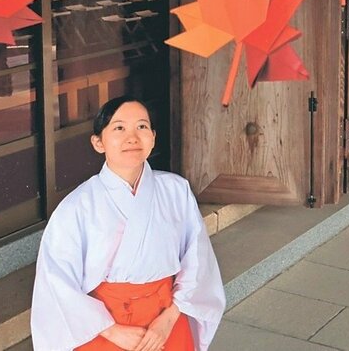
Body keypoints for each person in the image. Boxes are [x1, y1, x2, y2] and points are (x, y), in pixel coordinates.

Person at [31, 96, 226, 350]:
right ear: (98, 142)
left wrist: (168, 319)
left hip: (166, 319)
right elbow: (56, 281)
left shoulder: (176, 190)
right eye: (119, 128)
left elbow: (197, 260)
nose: (132, 137)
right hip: (104, 327)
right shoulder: (76, 206)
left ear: (153, 137)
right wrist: (112, 331)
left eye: (142, 127)